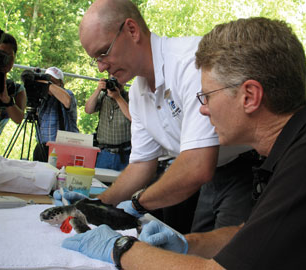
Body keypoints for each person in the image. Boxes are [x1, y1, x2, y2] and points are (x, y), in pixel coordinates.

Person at [62, 17, 306, 269]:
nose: (202, 109)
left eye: (207, 96)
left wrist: (121, 248)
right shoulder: (300, 147)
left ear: (249, 96)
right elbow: (247, 234)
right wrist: (188, 243)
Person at [56, 0, 258, 234]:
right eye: (96, 59)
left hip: (246, 168)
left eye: (103, 52)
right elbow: (142, 164)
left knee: (225, 259)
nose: (101, 67)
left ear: (131, 30)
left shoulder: (191, 63)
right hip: (212, 177)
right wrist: (97, 204)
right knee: (194, 249)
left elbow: (197, 166)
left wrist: (136, 203)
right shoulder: (138, 93)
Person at [0, 33, 26, 155]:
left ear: (14, 58)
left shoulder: (15, 89)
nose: (2, 60)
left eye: (7, 56)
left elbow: (19, 118)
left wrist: (7, 101)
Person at [33, 67, 79, 161]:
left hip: (62, 147)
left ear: (61, 84)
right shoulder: (42, 97)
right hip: (42, 146)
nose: (50, 84)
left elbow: (67, 101)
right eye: (48, 80)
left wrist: (47, 84)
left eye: (53, 81)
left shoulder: (67, 94)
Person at [85, 77, 131, 171]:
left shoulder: (130, 97)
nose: (115, 84)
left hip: (125, 154)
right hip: (104, 153)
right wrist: (98, 90)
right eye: (113, 81)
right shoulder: (103, 96)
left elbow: (133, 117)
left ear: (125, 82)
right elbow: (88, 110)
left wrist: (117, 97)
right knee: (100, 183)